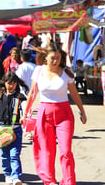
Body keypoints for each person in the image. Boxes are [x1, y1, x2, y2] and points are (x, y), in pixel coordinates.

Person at [20, 42, 87, 185]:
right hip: (44, 113)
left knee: (66, 151)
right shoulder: (38, 70)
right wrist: (25, 114)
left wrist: (82, 111)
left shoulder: (66, 73)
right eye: (52, 58)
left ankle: (68, 181)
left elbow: (75, 94)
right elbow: (32, 93)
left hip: (64, 114)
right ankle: (49, 180)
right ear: (45, 58)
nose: (56, 61)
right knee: (46, 149)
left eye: (58, 58)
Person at [0, 72, 29, 185]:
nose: (11, 86)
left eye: (14, 83)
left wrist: (24, 121)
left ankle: (16, 177)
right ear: (4, 83)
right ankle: (7, 174)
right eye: (9, 83)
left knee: (14, 154)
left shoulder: (20, 97)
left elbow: (25, 109)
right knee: (5, 155)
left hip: (16, 129)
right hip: (2, 129)